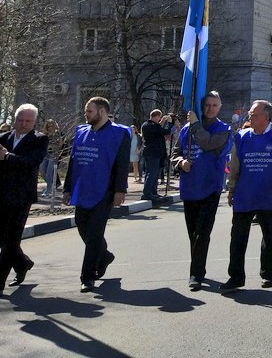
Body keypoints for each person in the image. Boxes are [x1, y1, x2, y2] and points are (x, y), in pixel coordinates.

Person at [222, 100, 272, 292]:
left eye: (254, 114)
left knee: (271, 238)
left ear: (266, 117)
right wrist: (231, 189)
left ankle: (268, 273)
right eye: (250, 114)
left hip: (269, 196)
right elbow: (235, 166)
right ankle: (236, 277)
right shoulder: (242, 137)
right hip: (244, 195)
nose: (250, 117)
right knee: (237, 238)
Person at [0, 104, 48, 301]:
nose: (23, 124)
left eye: (28, 121)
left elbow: (31, 162)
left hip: (21, 197)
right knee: (0, 237)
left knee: (10, 241)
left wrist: (7, 156)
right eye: (20, 120)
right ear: (15, 118)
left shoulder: (39, 139)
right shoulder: (3, 138)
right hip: (0, 196)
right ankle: (23, 263)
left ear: (34, 122)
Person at [63, 97, 131, 292]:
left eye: (89, 111)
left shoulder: (119, 134)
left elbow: (122, 164)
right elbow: (73, 163)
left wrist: (120, 190)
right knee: (83, 227)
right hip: (83, 189)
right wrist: (67, 188)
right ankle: (104, 256)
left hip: (105, 191)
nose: (86, 114)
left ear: (102, 112)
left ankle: (87, 276)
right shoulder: (81, 132)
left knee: (94, 234)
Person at [172, 91, 232, 291]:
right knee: (193, 233)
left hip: (210, 188)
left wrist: (196, 124)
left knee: (202, 233)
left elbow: (208, 143)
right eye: (207, 105)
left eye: (215, 105)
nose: (210, 109)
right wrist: (180, 163)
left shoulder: (224, 129)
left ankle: (196, 274)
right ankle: (198, 269)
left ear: (219, 108)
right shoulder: (186, 129)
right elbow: (176, 153)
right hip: (190, 188)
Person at [140, 109, 173, 200]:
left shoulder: (146, 124)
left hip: (149, 152)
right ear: (157, 116)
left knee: (151, 173)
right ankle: (147, 193)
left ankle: (153, 192)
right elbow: (165, 132)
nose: (160, 119)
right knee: (152, 173)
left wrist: (161, 123)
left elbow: (157, 131)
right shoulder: (153, 126)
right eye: (160, 117)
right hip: (154, 152)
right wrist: (170, 123)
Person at [39, 119, 64, 199]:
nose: (50, 128)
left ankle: (47, 191)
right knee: (42, 171)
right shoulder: (44, 134)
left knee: (49, 172)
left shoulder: (57, 133)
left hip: (54, 155)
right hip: (45, 154)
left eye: (51, 126)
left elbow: (60, 144)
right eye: (48, 126)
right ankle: (53, 185)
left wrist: (54, 138)